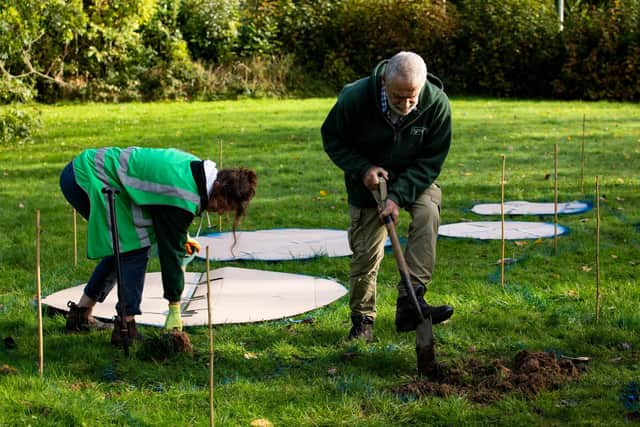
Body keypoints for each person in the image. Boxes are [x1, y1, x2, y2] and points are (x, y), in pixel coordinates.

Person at [59, 146, 257, 346]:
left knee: (124, 245)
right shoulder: (185, 194)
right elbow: (171, 255)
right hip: (88, 177)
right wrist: (174, 306)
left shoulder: (198, 172)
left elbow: (162, 208)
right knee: (133, 247)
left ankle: (81, 316)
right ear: (219, 191)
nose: (221, 212)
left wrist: (182, 237)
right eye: (225, 206)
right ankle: (125, 327)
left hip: (89, 170)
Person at [321, 51, 453, 342]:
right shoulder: (354, 99)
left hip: (414, 178)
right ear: (384, 82)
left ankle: (411, 300)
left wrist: (397, 195)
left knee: (428, 212)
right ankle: (363, 322)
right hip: (366, 181)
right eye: (398, 97)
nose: (406, 104)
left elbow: (431, 160)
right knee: (366, 252)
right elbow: (332, 137)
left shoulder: (436, 105)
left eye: (412, 97)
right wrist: (362, 169)